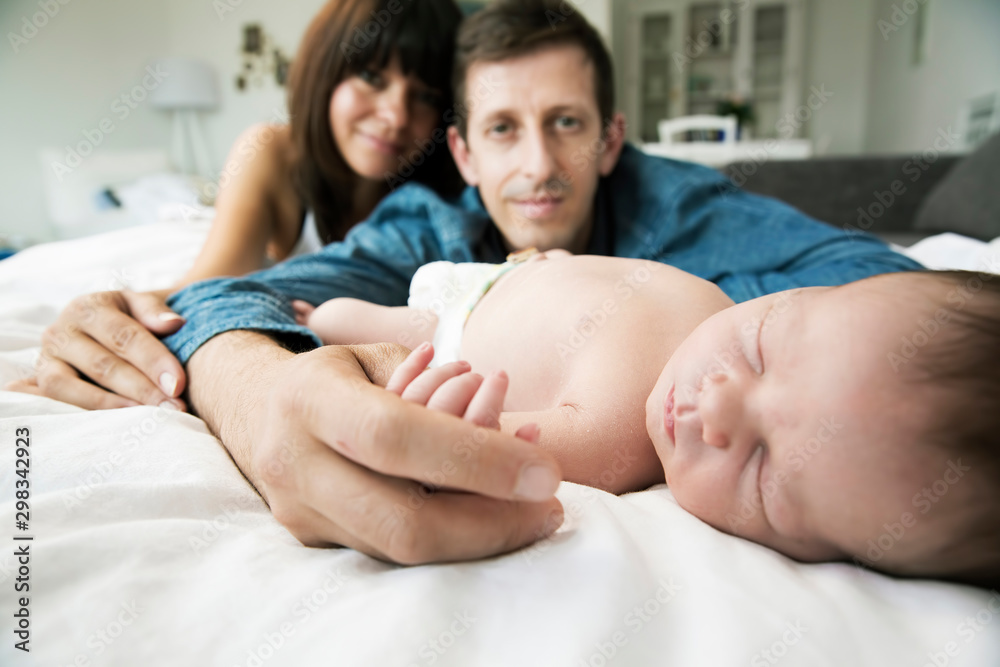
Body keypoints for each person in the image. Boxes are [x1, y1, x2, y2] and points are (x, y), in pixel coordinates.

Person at [26, 0, 926, 565]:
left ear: (610, 139)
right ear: (461, 150)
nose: (538, 166)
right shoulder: (427, 226)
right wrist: (258, 391)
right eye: (502, 129)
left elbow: (881, 290)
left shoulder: (677, 210)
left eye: (565, 123)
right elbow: (240, 297)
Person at [308, 256, 999, 588]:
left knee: (337, 317)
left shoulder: (611, 436)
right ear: (800, 291)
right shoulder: (715, 295)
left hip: (446, 323)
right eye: (760, 348)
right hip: (506, 268)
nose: (716, 405)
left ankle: (310, 318)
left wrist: (440, 421)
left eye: (764, 474)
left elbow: (460, 446)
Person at [7, 0, 463, 411]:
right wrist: (110, 315)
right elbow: (209, 283)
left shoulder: (441, 204)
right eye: (371, 77)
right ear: (326, 70)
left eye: (424, 96)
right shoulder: (272, 152)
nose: (396, 115)